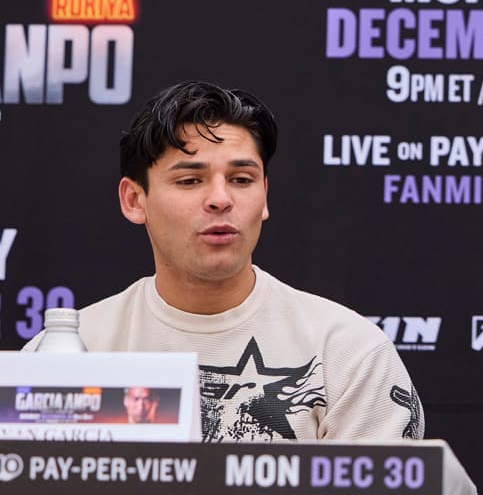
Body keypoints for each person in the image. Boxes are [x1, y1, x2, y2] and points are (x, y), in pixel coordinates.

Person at [32, 80, 424, 443]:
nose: (221, 199)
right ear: (135, 200)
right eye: (190, 180)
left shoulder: (347, 352)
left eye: (241, 179)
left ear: (265, 195)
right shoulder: (69, 353)